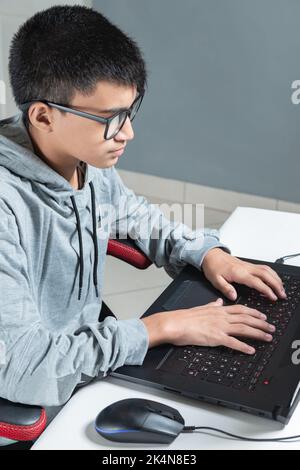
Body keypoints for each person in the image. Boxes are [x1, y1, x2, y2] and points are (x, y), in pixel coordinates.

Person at [0, 5, 285, 412]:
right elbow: (26, 368)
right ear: (43, 116)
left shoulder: (80, 155)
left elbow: (130, 213)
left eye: (130, 112)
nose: (128, 133)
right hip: (47, 383)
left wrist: (208, 254)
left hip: (90, 349)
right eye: (111, 118)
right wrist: (160, 328)